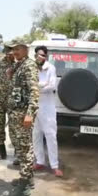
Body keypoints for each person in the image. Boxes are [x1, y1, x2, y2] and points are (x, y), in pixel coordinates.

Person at [4, 41, 39, 196]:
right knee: (19, 147)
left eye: (17, 49)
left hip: (23, 114)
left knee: (25, 149)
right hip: (15, 113)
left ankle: (24, 188)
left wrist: (30, 113)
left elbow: (34, 92)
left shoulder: (29, 66)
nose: (14, 52)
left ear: (26, 49)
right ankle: (27, 179)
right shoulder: (19, 65)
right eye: (13, 49)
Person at [32, 45, 63, 177]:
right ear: (35, 55)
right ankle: (39, 161)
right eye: (39, 54)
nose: (41, 57)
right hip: (34, 106)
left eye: (43, 55)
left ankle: (54, 165)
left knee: (50, 136)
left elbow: (51, 86)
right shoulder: (32, 68)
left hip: (47, 107)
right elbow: (29, 83)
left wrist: (36, 86)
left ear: (46, 56)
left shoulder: (51, 68)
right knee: (36, 135)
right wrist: (41, 85)